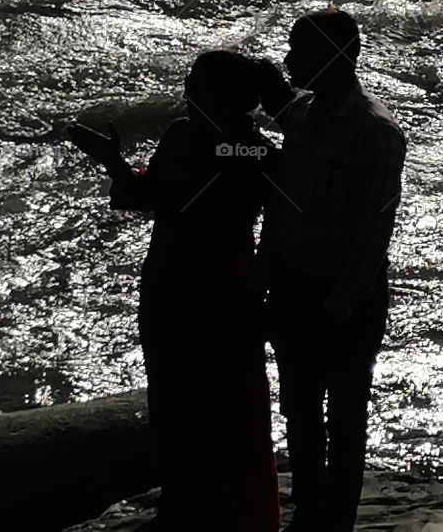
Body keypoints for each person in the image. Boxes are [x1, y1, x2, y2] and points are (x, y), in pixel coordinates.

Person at [67, 50, 281, 532]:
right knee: (236, 403)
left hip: (175, 282)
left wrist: (116, 166)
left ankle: (185, 507)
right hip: (230, 283)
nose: (185, 92)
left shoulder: (188, 139)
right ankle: (245, 512)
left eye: (195, 85)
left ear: (217, 96)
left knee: (176, 398)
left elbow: (151, 196)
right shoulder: (260, 152)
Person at [253, 7, 407, 532]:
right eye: (293, 49)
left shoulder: (375, 132)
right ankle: (308, 513)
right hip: (293, 288)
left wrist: (337, 306)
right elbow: (278, 206)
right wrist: (263, 277)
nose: (291, 59)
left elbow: (373, 234)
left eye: (303, 51)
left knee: (344, 415)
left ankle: (335, 520)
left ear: (342, 57)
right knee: (298, 408)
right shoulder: (298, 117)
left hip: (349, 299)